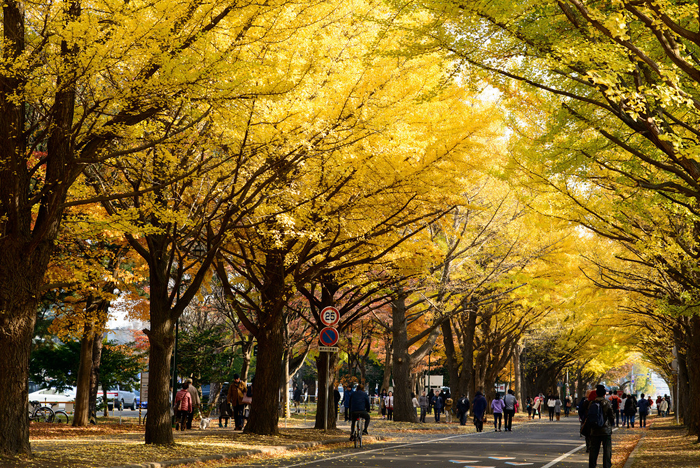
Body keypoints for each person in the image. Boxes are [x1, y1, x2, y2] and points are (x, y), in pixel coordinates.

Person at [584, 384, 615, 468]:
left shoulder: (592, 403)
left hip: (594, 430)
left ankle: (592, 465)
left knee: (593, 450)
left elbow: (589, 415)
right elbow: (611, 416)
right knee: (607, 450)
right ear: (604, 394)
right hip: (605, 430)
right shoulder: (607, 403)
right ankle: (606, 466)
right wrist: (610, 423)